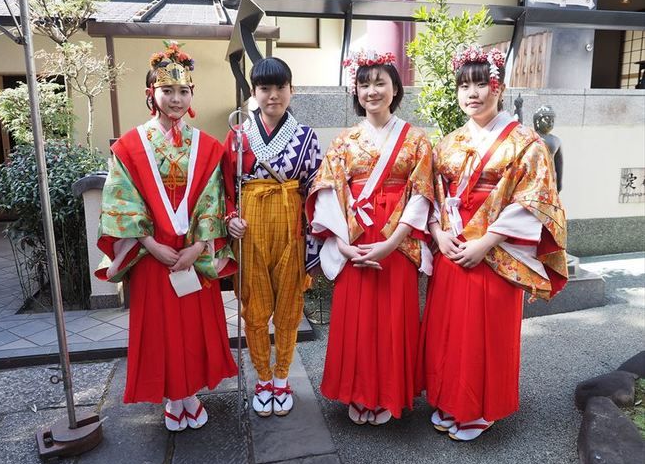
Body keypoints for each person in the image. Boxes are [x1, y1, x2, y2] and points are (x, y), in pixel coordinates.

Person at [419, 45, 568, 441]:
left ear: (497, 87)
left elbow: (535, 198)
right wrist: (438, 233)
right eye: (464, 85)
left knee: (485, 333)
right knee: (449, 330)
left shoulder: (526, 142)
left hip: (497, 247)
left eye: (480, 84)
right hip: (453, 243)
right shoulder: (448, 142)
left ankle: (480, 409)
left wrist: (486, 241)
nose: (472, 93)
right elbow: (432, 191)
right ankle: (450, 400)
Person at [96, 41, 237, 432]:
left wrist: (196, 246)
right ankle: (174, 398)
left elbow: (214, 198)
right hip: (151, 254)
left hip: (192, 252)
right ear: (151, 94)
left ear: (192, 95)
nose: (176, 99)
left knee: (193, 327)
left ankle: (191, 392)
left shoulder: (206, 147)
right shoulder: (128, 147)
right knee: (161, 329)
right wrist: (150, 244)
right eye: (167, 90)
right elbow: (122, 199)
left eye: (183, 91)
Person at [306, 50, 434, 425]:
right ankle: (359, 393)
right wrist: (342, 245)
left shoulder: (416, 140)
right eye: (364, 84)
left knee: (393, 321)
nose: (372, 90)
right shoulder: (345, 140)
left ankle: (387, 395)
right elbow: (327, 190)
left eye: (380, 82)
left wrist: (393, 243)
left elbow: (422, 194)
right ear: (356, 91)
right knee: (356, 321)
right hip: (355, 238)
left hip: (396, 239)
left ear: (395, 88)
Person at [223, 57, 322, 417]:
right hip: (251, 228)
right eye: (265, 88)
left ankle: (282, 378)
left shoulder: (307, 137)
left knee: (289, 307)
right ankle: (262, 377)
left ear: (291, 90)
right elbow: (224, 189)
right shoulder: (237, 136)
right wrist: (230, 217)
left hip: (292, 225)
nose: (273, 95)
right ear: (254, 93)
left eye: (280, 87)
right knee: (254, 306)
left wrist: (316, 235)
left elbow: (316, 189)